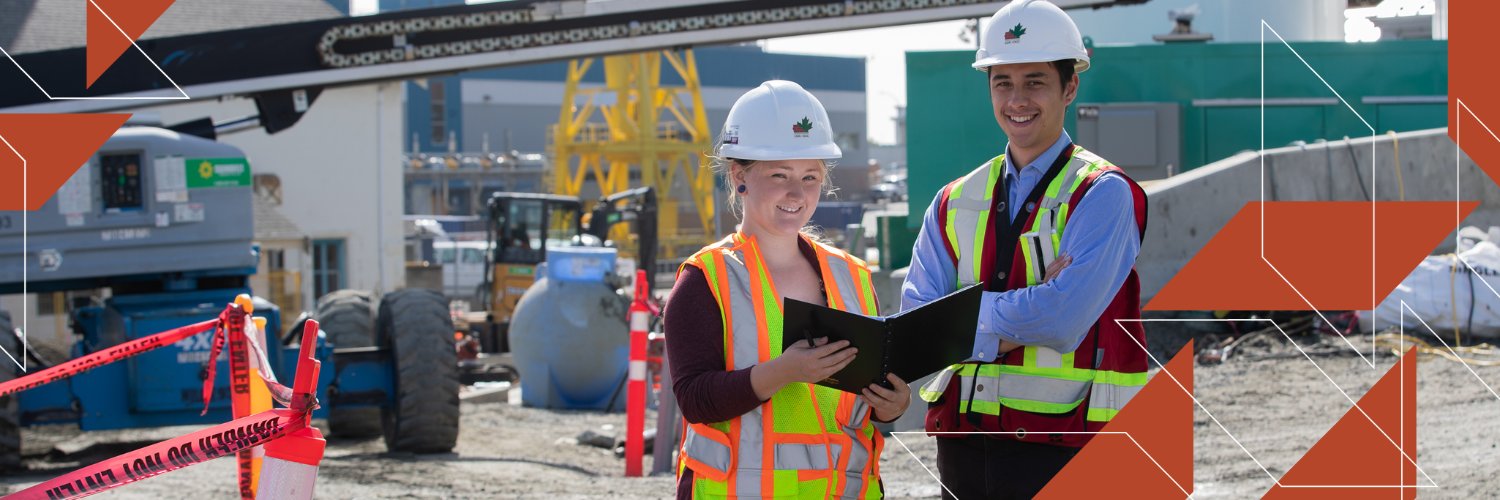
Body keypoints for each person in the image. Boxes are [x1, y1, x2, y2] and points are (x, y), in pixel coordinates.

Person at [901, 0, 1150, 498]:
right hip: (965, 446)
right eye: (1003, 83)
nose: (1017, 99)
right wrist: (1031, 304)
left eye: (1035, 81)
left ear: (1070, 87)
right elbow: (916, 324)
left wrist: (964, 317)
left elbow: (1059, 322)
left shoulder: (1103, 193)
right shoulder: (954, 200)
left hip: (1068, 447)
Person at [666, 80, 910, 499]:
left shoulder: (852, 276)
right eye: (779, 174)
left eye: (810, 176)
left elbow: (859, 407)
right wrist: (783, 372)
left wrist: (890, 404)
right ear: (740, 176)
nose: (796, 193)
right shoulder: (706, 279)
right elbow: (694, 399)